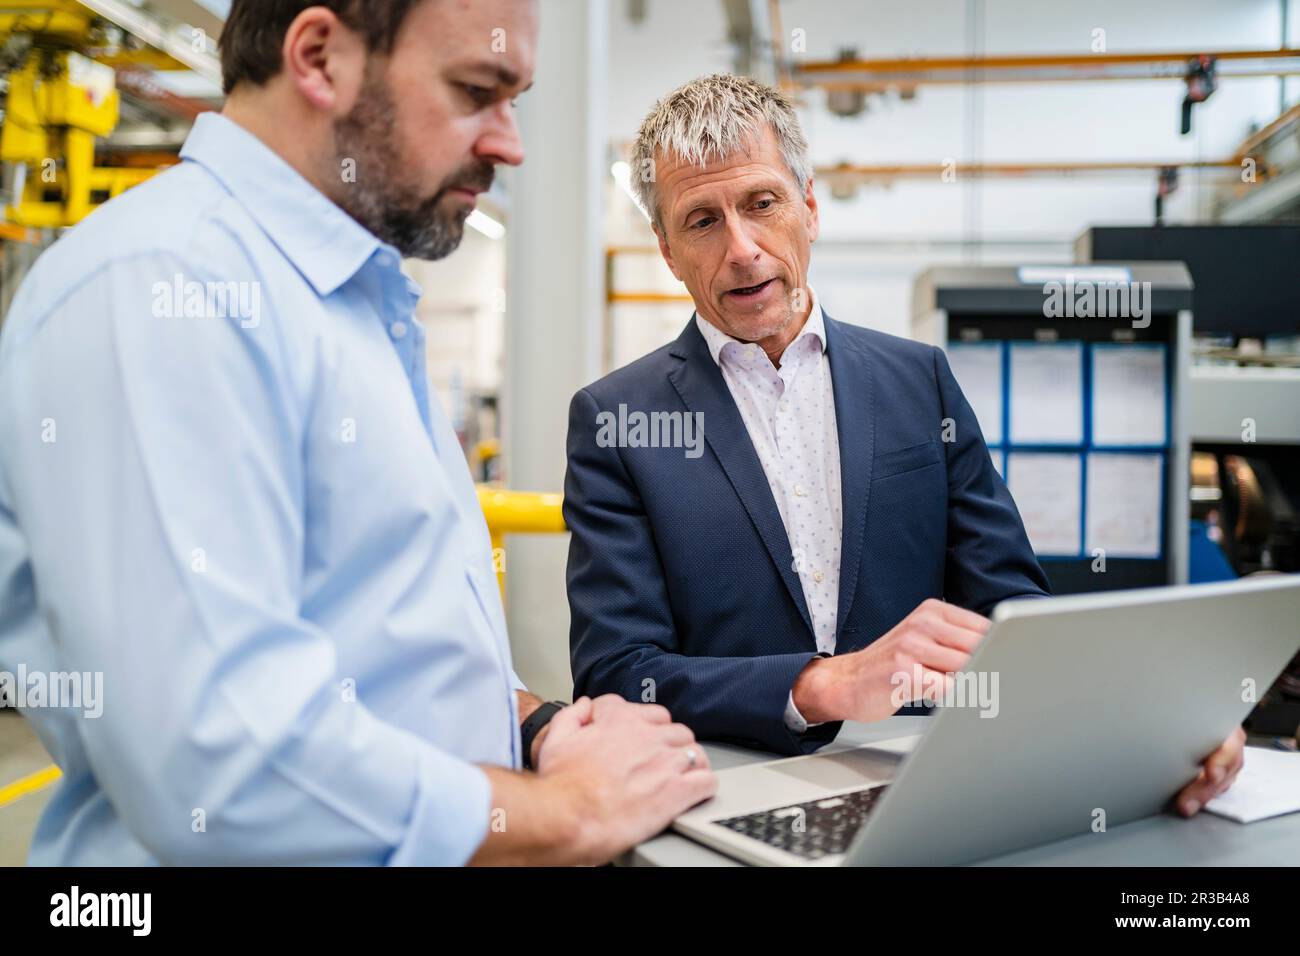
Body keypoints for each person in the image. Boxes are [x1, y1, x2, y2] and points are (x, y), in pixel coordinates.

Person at [0, 0, 714, 866]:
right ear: (318, 57)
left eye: (515, 99)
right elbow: (225, 763)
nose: (509, 143)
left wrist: (537, 732)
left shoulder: (356, 301)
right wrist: (569, 812)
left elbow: (387, 647)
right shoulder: (167, 288)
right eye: (476, 91)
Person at [564, 73, 1242, 817]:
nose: (743, 248)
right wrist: (819, 684)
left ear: (809, 207)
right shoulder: (616, 420)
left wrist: (1154, 728)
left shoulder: (919, 381)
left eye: (763, 203)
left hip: (925, 788)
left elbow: (1011, 612)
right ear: (667, 251)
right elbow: (616, 673)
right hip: (725, 798)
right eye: (702, 220)